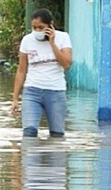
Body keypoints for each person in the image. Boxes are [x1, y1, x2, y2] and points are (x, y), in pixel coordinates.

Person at [11, 8, 73, 138]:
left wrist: (52, 44)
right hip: (32, 91)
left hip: (56, 92)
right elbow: (21, 70)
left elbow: (67, 64)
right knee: (29, 133)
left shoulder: (63, 37)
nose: (37, 31)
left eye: (41, 27)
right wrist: (15, 98)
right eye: (34, 28)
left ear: (50, 25)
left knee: (57, 136)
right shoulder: (27, 40)